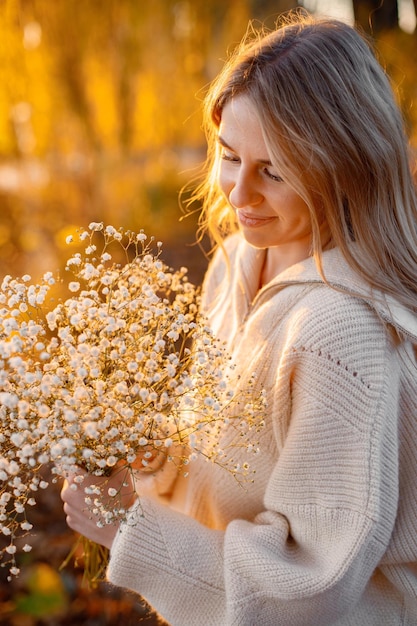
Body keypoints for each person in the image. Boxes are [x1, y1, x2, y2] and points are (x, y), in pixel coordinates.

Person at [61, 11, 417, 625]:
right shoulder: (235, 263)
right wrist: (155, 460)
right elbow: (234, 452)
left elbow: (312, 588)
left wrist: (128, 528)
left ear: (348, 166)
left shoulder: (343, 333)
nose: (239, 194)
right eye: (229, 156)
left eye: (273, 171)